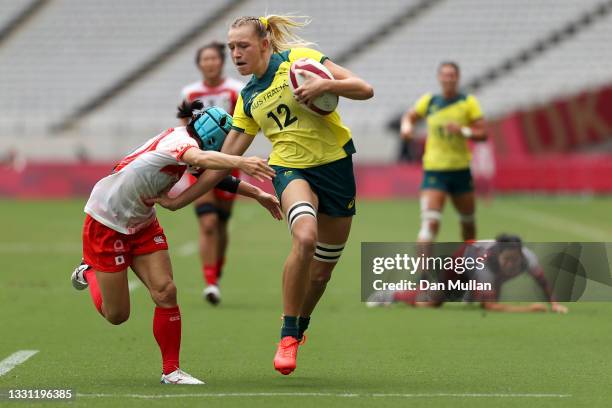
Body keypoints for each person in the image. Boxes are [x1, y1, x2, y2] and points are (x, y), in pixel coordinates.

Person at [147, 15, 373, 376]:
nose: (235, 54)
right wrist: (179, 200)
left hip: (337, 170)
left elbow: (364, 88)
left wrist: (322, 86)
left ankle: (300, 328)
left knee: (320, 276)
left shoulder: (300, 60)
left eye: (243, 46)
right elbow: (223, 164)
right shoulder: (248, 99)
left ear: (265, 44)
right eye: (231, 47)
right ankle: (286, 334)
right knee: (305, 236)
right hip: (289, 170)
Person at [70, 101, 280, 384]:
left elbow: (213, 176)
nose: (221, 152)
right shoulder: (181, 142)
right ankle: (89, 271)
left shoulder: (190, 147)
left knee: (166, 291)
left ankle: (171, 371)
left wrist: (258, 194)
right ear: (211, 138)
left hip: (142, 222)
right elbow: (205, 161)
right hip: (107, 222)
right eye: (221, 147)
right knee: (117, 315)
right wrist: (241, 161)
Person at [179, 42, 246, 305]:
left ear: (221, 62)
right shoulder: (190, 92)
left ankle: (216, 271)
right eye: (204, 59)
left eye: (213, 59)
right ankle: (210, 283)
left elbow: (247, 125)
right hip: (200, 164)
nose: (209, 63)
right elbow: (184, 128)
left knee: (221, 223)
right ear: (199, 63)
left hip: (229, 163)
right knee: (207, 223)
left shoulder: (236, 91)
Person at [367, 234, 569, 314]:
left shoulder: (527, 258)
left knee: (491, 288)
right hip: (462, 261)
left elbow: (542, 281)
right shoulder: (485, 264)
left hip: (485, 272)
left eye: (514, 260)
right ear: (498, 255)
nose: (511, 264)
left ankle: (470, 293)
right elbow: (489, 307)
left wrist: (554, 303)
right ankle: (392, 293)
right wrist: (529, 309)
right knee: (431, 302)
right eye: (507, 260)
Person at [400, 62, 486, 244]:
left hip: (460, 170)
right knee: (430, 223)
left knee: (468, 223)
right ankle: (423, 272)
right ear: (439, 78)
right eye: (445, 75)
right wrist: (406, 127)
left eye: (452, 75)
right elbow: (409, 116)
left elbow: (483, 134)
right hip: (435, 171)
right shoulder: (430, 101)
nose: (448, 79)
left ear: (458, 78)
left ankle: (469, 264)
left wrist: (463, 130)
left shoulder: (468, 103)